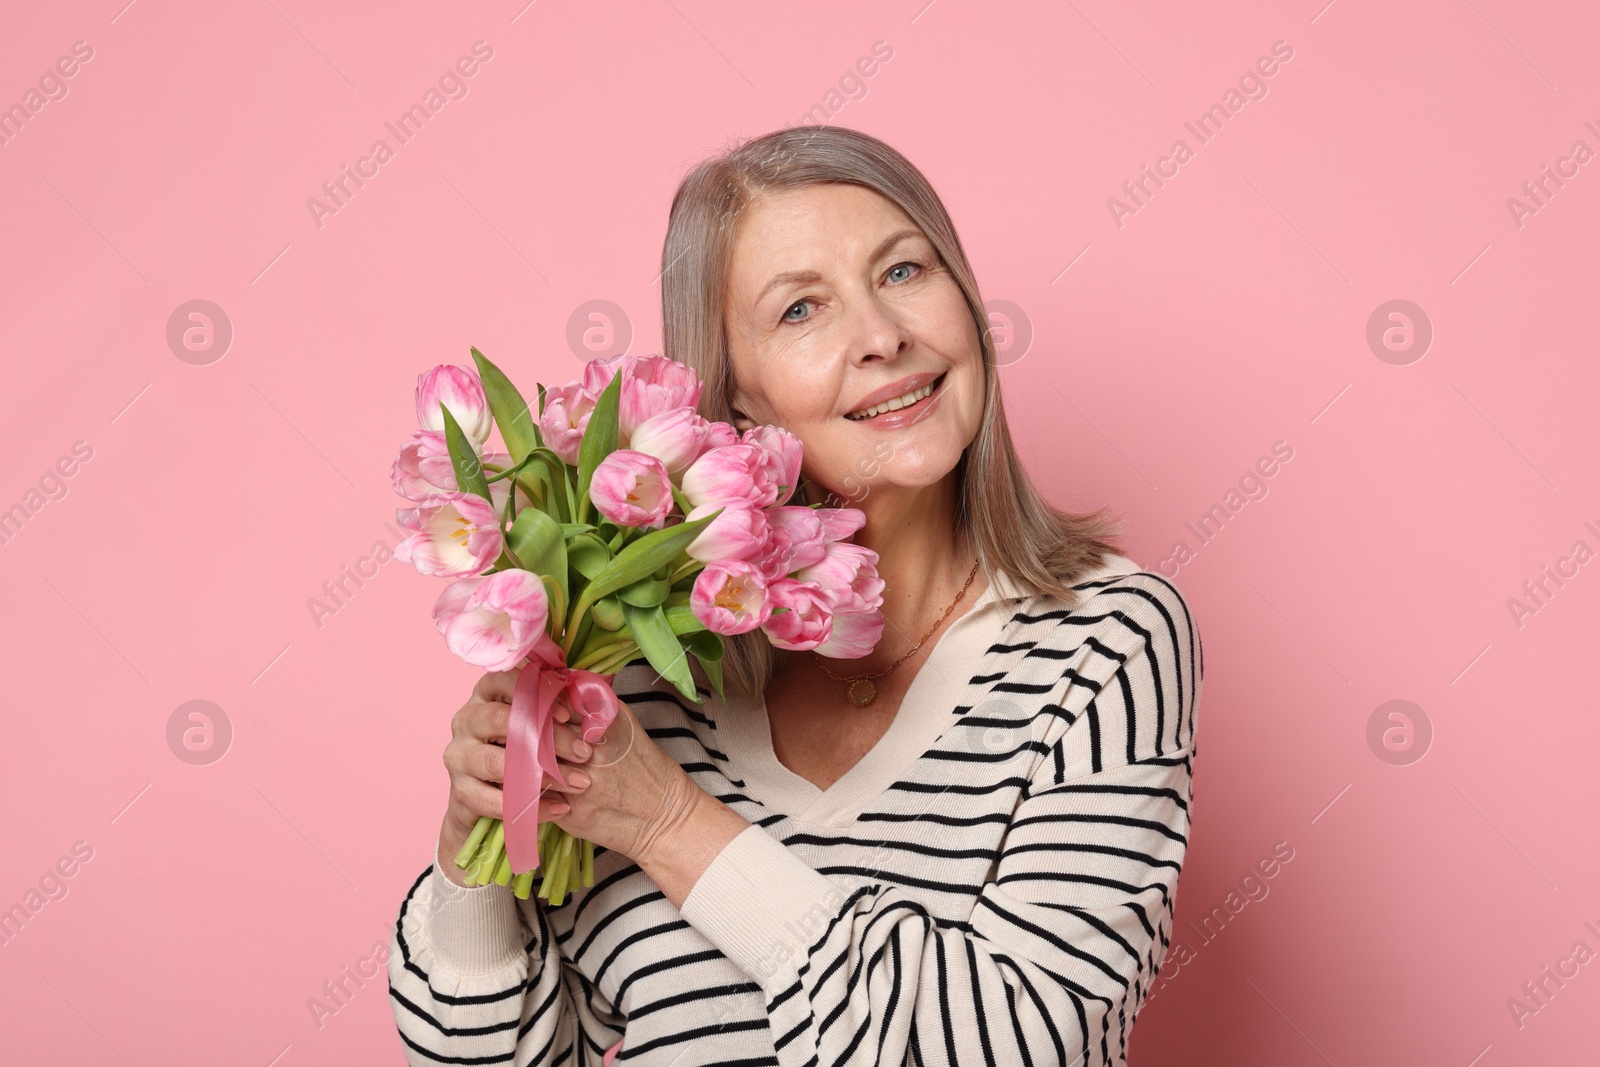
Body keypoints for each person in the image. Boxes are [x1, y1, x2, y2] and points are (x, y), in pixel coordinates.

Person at [388, 126, 1202, 1066]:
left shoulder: (1105, 640)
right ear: (739, 403)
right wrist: (476, 846)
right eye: (802, 309)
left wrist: (669, 824)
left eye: (903, 272)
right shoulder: (637, 686)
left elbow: (1026, 1042)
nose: (885, 335)